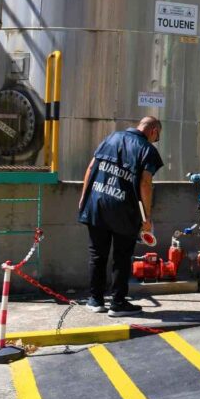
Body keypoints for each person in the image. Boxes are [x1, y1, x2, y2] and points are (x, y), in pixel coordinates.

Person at [78, 117, 164, 317]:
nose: (155, 141)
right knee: (122, 257)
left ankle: (95, 300)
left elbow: (91, 168)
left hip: (97, 204)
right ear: (153, 131)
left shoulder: (111, 137)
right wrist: (147, 217)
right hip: (124, 210)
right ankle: (117, 303)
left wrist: (84, 197)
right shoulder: (147, 150)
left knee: (97, 255)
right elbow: (145, 183)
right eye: (157, 137)